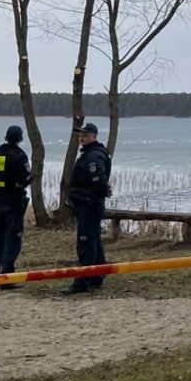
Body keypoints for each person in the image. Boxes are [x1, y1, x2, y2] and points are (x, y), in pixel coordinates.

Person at [64, 121, 112, 294]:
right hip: (88, 205)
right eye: (80, 135)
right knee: (94, 241)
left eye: (85, 135)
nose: (81, 138)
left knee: (85, 243)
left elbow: (98, 182)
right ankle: (97, 275)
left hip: (89, 206)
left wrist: (85, 198)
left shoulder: (94, 156)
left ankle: (83, 282)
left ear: (94, 136)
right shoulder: (90, 154)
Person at [0, 125, 31, 288]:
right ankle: (7, 278)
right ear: (20, 139)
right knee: (13, 240)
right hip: (14, 203)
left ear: (5, 137)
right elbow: (24, 179)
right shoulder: (20, 156)